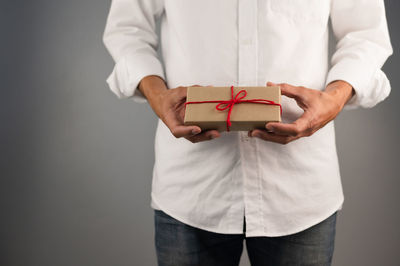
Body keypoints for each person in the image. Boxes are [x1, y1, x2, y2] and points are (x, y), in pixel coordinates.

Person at [103, 1, 393, 265]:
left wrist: (335, 97)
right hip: (191, 188)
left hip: (299, 188)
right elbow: (127, 30)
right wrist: (157, 95)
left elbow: (366, 35)